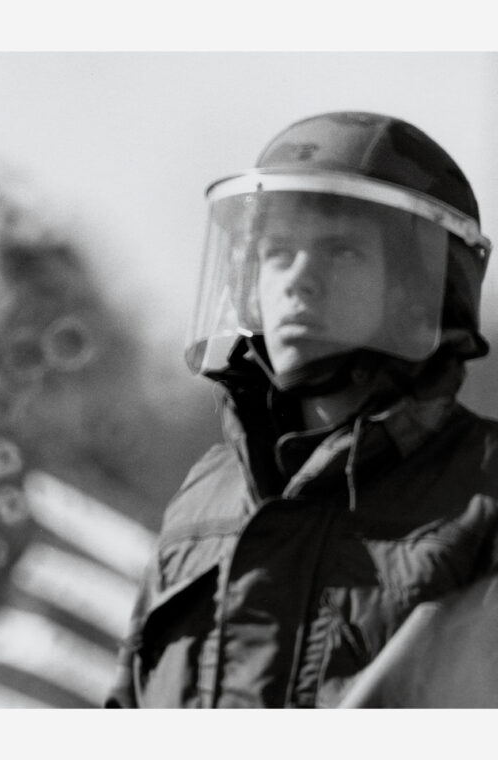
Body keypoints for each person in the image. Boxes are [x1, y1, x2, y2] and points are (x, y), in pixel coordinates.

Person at [106, 111, 498, 708]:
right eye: (278, 251)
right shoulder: (202, 496)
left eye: (341, 252)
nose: (299, 280)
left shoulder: (486, 493)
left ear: (418, 291)